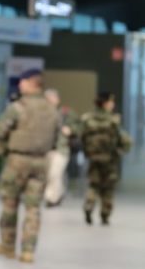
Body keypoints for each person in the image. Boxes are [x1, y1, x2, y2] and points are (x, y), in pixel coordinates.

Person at [0, 68, 61, 263]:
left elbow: (1, 133)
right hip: (41, 162)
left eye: (23, 81)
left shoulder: (17, 107)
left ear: (33, 83)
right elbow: (56, 139)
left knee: (10, 204)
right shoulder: (52, 109)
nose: (20, 84)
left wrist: (6, 152)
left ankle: (7, 246)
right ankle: (28, 251)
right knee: (33, 208)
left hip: (17, 161)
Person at [81, 92, 130, 225]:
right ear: (106, 103)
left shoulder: (87, 119)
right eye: (111, 101)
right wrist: (121, 151)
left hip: (93, 158)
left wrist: (87, 152)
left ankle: (89, 206)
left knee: (93, 185)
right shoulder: (113, 120)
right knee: (108, 188)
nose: (113, 104)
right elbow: (124, 140)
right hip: (110, 159)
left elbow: (82, 138)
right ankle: (105, 215)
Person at [43, 88, 78, 208]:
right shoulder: (42, 115)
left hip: (61, 149)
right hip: (46, 149)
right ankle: (59, 193)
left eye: (51, 98)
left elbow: (78, 127)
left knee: (55, 173)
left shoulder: (66, 113)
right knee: (49, 174)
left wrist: (70, 130)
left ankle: (51, 198)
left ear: (57, 99)